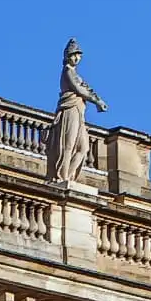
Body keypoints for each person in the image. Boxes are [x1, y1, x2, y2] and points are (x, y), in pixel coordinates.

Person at [49, 41, 105, 192]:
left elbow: (86, 88)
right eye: (74, 55)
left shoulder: (75, 74)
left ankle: (69, 175)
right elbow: (79, 89)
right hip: (70, 110)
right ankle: (62, 177)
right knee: (68, 145)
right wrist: (97, 101)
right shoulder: (67, 72)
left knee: (83, 148)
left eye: (78, 56)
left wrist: (97, 100)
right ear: (68, 56)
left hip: (79, 112)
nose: (76, 58)